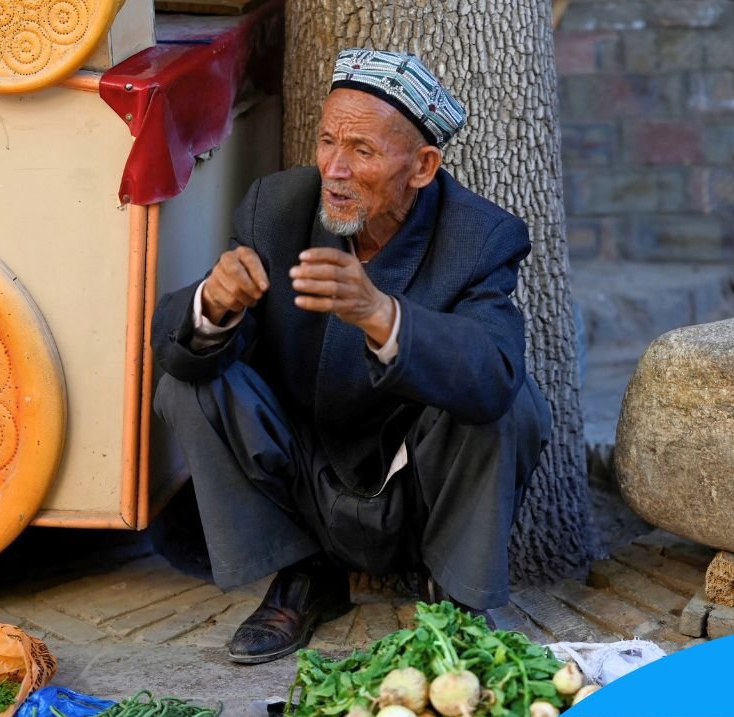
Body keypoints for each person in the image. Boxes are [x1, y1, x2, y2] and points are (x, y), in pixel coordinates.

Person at [152, 48, 552, 665]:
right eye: (327, 142)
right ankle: (302, 574)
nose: (335, 169)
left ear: (422, 167)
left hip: (409, 482)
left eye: (362, 151)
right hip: (304, 471)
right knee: (192, 378)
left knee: (508, 398)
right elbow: (176, 350)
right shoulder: (277, 207)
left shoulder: (480, 237)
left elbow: (494, 369)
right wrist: (214, 301)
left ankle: (455, 598)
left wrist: (380, 314)